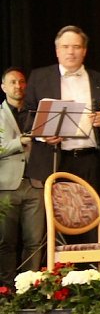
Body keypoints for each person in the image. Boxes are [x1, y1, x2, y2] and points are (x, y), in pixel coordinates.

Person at [24, 26, 100, 197]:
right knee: (55, 212)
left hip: (90, 160)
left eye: (76, 47)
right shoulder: (39, 78)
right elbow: (25, 115)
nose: (71, 52)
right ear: (57, 51)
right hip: (53, 160)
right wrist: (43, 135)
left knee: (92, 210)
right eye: (65, 47)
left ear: (84, 51)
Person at [0, 67, 46, 286]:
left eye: (21, 82)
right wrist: (20, 142)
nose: (18, 86)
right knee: (5, 241)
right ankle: (6, 290)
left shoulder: (36, 114)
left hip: (35, 183)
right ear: (3, 87)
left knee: (34, 241)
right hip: (6, 185)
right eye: (12, 82)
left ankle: (29, 288)